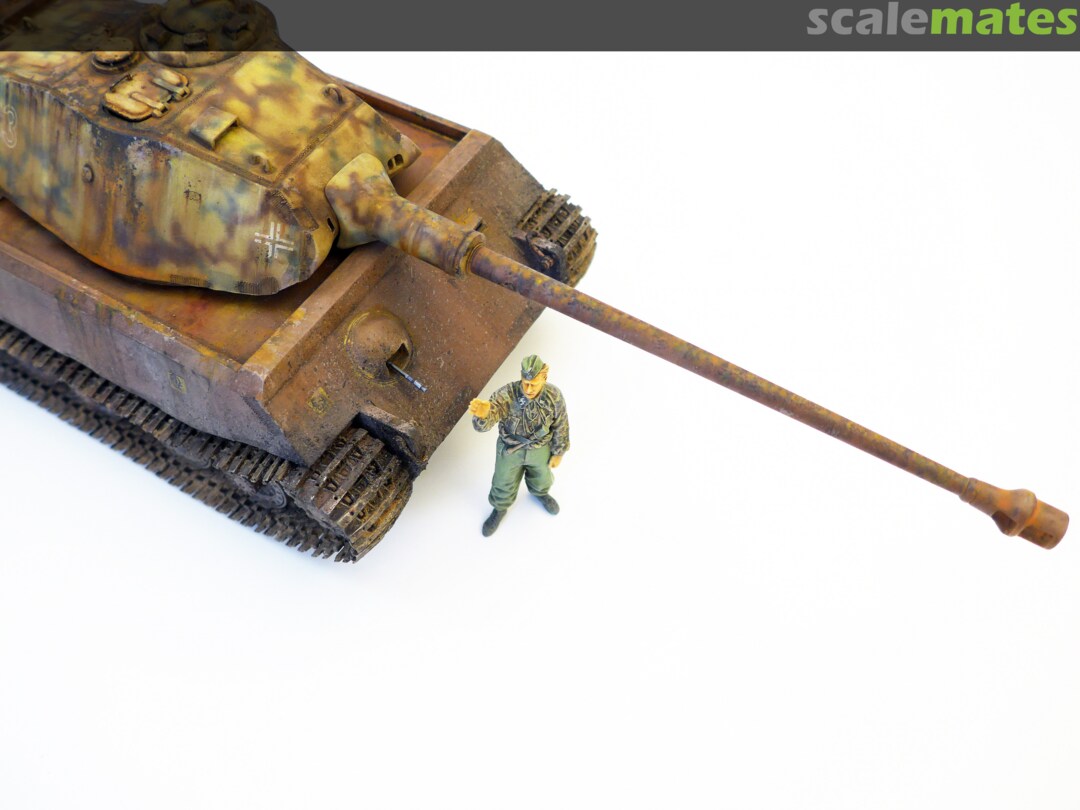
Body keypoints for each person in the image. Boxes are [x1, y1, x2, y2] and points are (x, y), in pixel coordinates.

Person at [468, 354, 569, 536]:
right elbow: (487, 420)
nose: (528, 389)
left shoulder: (554, 396)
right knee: (502, 481)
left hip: (539, 448)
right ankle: (500, 508)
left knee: (542, 476)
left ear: (544, 378)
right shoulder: (508, 394)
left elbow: (561, 424)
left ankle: (541, 493)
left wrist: (558, 452)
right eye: (525, 383)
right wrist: (483, 415)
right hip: (510, 449)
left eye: (533, 384)